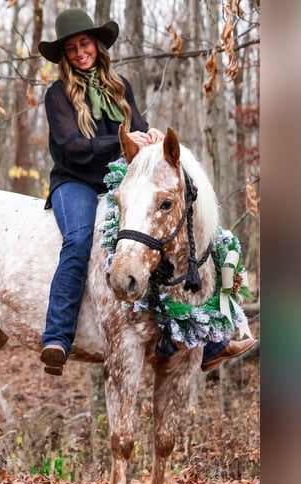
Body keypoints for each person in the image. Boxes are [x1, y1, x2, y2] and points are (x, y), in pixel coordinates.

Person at [37, 8, 254, 376]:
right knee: (76, 239)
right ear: (64, 55)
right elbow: (71, 146)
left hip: (120, 179)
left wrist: (149, 136)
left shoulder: (119, 86)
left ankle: (215, 339)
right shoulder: (57, 95)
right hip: (75, 181)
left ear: (97, 45)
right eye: (71, 48)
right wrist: (120, 141)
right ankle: (57, 335)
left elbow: (136, 127)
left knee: (177, 233)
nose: (79, 52)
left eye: (84, 43)